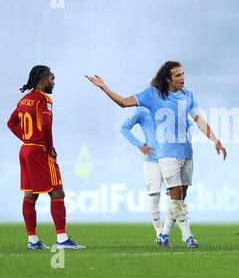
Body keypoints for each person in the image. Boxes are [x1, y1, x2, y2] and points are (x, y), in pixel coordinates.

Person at [85, 61, 226, 248]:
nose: (182, 78)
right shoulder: (152, 95)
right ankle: (188, 236)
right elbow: (124, 102)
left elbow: (199, 120)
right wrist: (104, 87)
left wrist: (215, 140)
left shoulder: (188, 96)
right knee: (175, 196)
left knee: (181, 198)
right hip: (166, 154)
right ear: (168, 79)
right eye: (178, 75)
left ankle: (164, 234)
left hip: (187, 152)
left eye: (183, 74)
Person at [7, 65, 85, 249]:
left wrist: (27, 137)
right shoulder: (44, 99)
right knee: (57, 192)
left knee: (30, 195)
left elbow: (11, 123)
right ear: (42, 80)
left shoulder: (24, 100)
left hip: (25, 150)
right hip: (40, 151)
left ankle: (32, 240)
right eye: (52, 78)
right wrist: (49, 147)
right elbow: (46, 125)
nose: (54, 82)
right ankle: (62, 239)